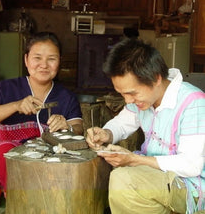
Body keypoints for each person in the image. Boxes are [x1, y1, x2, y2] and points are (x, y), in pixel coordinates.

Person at [86, 38, 205, 214]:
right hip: (157, 177)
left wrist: (135, 160)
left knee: (124, 180)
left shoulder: (193, 102)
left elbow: (191, 165)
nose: (128, 101)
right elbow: (122, 123)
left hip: (190, 186)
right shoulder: (144, 100)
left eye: (132, 93)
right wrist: (106, 133)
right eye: (122, 94)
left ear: (156, 78)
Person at [0, 31, 83, 207]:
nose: (44, 65)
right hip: (9, 164)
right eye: (37, 58)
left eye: (51, 59)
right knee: (4, 151)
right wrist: (15, 105)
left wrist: (67, 126)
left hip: (50, 161)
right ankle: (25, 203)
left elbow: (78, 127)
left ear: (59, 61)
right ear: (26, 60)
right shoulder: (6, 88)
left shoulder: (66, 96)